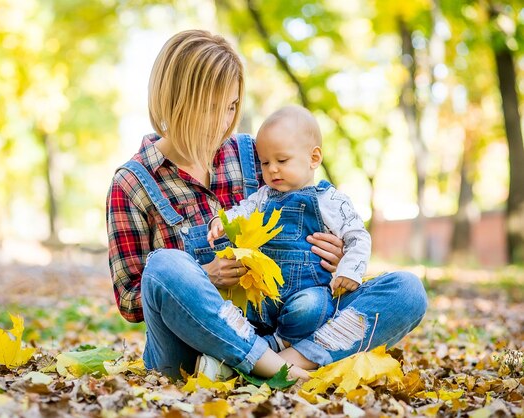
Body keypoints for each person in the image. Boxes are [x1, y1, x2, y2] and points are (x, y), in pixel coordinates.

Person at [106, 29, 427, 382]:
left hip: (285, 324)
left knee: (407, 291)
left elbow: (306, 216)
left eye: (230, 106)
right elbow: (131, 302)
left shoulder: (255, 154)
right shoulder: (133, 184)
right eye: (212, 108)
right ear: (175, 100)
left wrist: (333, 257)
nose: (224, 121)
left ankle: (279, 363)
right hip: (190, 352)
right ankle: (278, 368)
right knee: (165, 265)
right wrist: (206, 277)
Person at [207, 105, 371, 353]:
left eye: (282, 160)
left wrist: (348, 270)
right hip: (263, 290)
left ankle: (277, 345)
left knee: (314, 307)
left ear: (314, 158)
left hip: (306, 290)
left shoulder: (331, 201)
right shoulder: (263, 196)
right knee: (233, 305)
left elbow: (358, 237)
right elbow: (242, 210)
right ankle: (248, 342)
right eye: (265, 162)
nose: (272, 169)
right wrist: (222, 221)